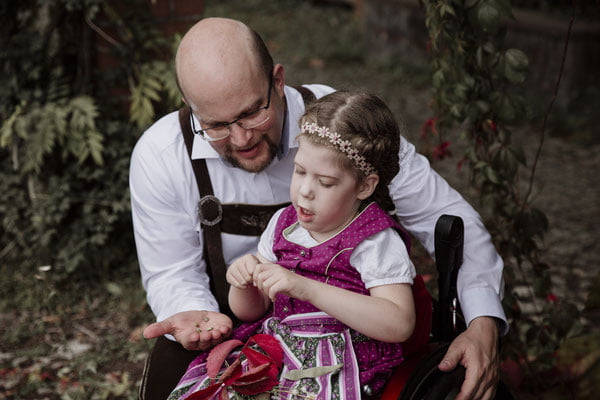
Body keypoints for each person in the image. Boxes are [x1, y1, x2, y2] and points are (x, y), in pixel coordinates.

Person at [130, 17, 506, 400]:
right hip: (243, 326)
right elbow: (171, 272)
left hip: (357, 341)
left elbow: (447, 216)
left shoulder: (346, 129)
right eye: (217, 125)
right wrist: (198, 314)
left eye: (252, 113)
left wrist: (482, 321)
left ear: (278, 80)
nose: (241, 138)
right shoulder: (161, 155)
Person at [168, 91, 423, 400]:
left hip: (342, 366)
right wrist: (244, 282)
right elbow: (251, 312)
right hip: (279, 350)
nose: (305, 191)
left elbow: (399, 323)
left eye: (325, 183)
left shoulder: (374, 240)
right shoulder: (284, 224)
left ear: (365, 186)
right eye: (300, 171)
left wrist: (306, 288)